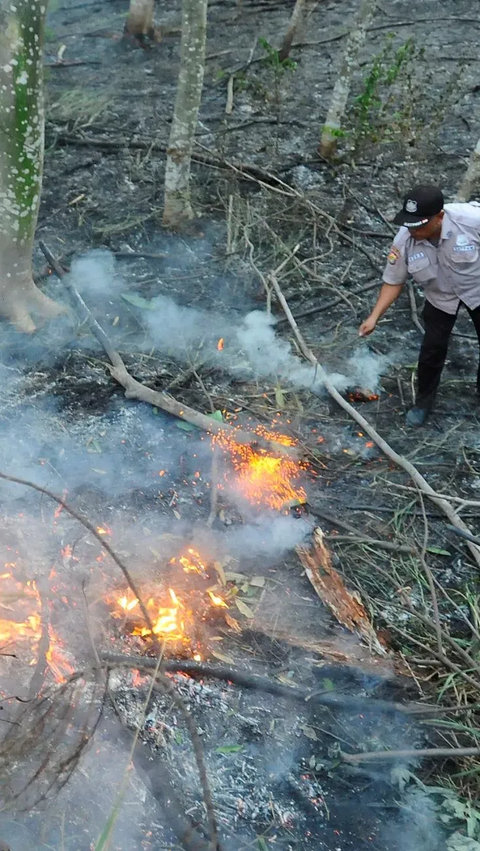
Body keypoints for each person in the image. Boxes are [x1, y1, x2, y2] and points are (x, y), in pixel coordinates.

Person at [359, 185, 480, 427]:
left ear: (440, 217)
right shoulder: (404, 239)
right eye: (410, 224)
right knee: (432, 350)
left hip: (477, 289)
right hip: (440, 297)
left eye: (421, 225)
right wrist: (374, 317)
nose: (413, 231)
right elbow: (394, 281)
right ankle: (423, 402)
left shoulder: (471, 221)